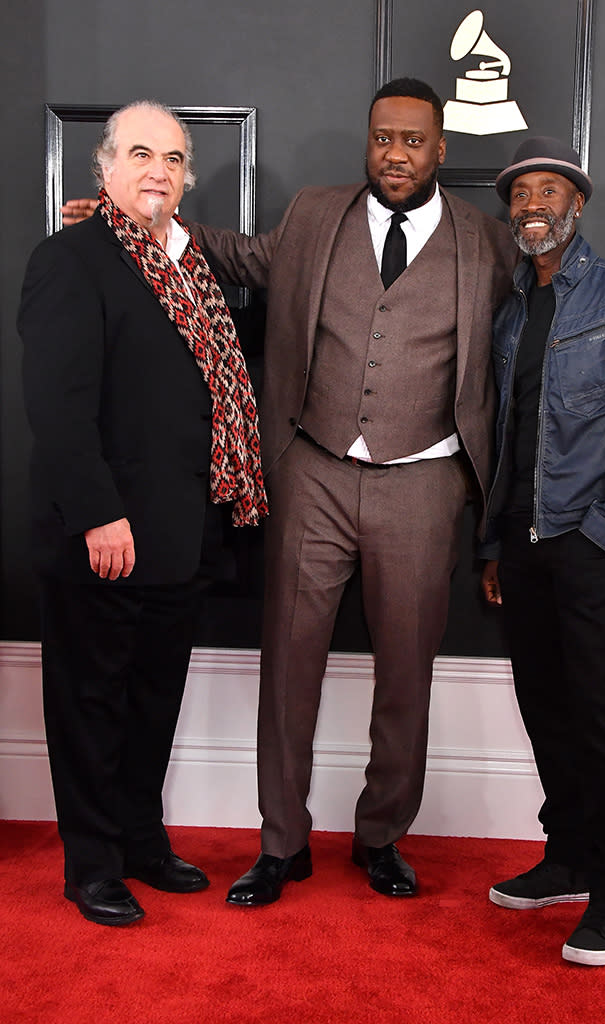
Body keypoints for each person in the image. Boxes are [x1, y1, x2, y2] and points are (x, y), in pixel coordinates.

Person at [144, 77, 517, 903]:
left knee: (406, 673)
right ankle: (281, 844)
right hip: (312, 467)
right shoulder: (317, 213)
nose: (395, 153)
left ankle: (381, 836)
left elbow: (549, 293)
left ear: (440, 149)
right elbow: (240, 257)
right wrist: (144, 226)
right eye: (383, 137)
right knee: (288, 665)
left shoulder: (484, 243)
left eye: (413, 140)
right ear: (369, 138)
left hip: (422, 481)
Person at [18, 100, 267, 926]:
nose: (156, 169)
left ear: (185, 174)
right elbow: (57, 407)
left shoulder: (191, 266)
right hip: (106, 532)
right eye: (139, 153)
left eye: (171, 157)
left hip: (184, 529)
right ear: (104, 168)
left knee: (154, 694)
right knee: (90, 700)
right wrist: (97, 514)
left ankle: (139, 840)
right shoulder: (71, 258)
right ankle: (91, 864)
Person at [480, 137, 605, 965]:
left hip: (592, 541)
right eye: (520, 191)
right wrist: (493, 541)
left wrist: (604, 532)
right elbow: (504, 437)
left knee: (598, 714)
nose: (532, 202)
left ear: (577, 204)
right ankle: (564, 856)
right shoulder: (510, 311)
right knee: (544, 708)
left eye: (548, 189)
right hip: (521, 544)